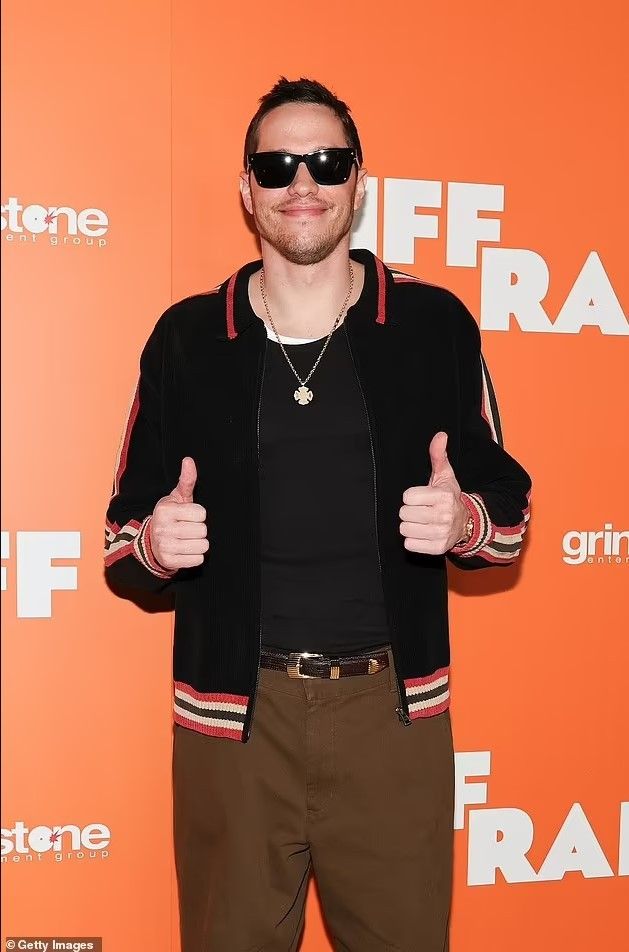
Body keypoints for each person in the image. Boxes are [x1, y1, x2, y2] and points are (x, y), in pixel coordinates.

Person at [104, 77, 531, 952]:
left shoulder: (432, 325)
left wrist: (464, 524)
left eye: (327, 162)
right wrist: (153, 542)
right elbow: (121, 538)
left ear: (358, 183)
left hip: (391, 720)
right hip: (232, 722)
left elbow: (508, 508)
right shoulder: (188, 337)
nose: (302, 182)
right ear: (246, 189)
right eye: (276, 165)